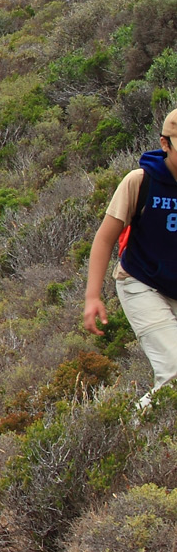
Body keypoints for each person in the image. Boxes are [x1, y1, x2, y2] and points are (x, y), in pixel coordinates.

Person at [86, 109, 177, 410]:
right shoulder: (140, 181)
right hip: (141, 282)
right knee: (175, 372)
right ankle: (135, 433)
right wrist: (92, 296)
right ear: (165, 144)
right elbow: (105, 238)